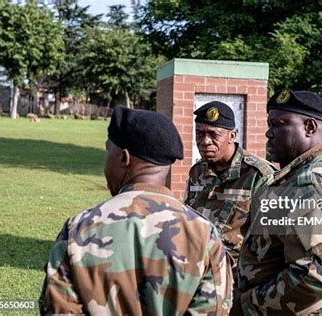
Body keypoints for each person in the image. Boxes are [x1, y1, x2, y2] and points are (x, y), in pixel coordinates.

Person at [39, 106, 233, 315]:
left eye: (108, 151)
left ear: (124, 158)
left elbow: (57, 309)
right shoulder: (205, 235)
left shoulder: (78, 228)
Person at [237, 89, 322, 315]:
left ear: (309, 127)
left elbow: (315, 276)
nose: (268, 133)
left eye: (278, 124)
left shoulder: (309, 184)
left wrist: (245, 305)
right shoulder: (303, 173)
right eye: (269, 125)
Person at [184, 101, 276, 272]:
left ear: (232, 136)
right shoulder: (197, 172)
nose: (205, 141)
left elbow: (272, 241)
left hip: (238, 276)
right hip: (197, 270)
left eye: (214, 134)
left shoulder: (259, 175)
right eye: (199, 134)